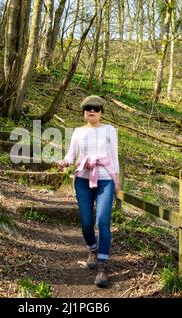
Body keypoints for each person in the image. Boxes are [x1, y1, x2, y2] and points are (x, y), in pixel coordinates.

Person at [58, 95, 120, 288]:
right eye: (88, 108)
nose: (92, 111)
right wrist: (65, 161)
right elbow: (71, 153)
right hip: (83, 179)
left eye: (96, 108)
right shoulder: (78, 131)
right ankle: (92, 249)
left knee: (102, 221)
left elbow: (114, 155)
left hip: (105, 180)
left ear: (101, 112)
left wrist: (116, 181)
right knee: (86, 223)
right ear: (83, 112)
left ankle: (102, 266)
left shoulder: (110, 130)